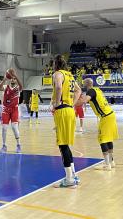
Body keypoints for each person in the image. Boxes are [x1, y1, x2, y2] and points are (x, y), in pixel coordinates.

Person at [51, 55, 81, 188]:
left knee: (62, 145)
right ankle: (73, 175)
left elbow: (58, 87)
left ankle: (69, 179)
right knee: (66, 145)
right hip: (70, 110)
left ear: (55, 64)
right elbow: (78, 90)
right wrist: (72, 104)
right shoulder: (70, 75)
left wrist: (57, 103)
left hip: (62, 111)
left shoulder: (57, 74)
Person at [78, 78, 119, 171]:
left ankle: (107, 164)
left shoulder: (91, 91)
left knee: (102, 140)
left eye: (83, 82)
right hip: (110, 114)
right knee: (108, 139)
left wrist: (72, 103)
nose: (82, 83)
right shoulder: (97, 90)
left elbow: (84, 101)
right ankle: (111, 162)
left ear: (86, 84)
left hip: (105, 117)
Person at [0, 68, 23, 154]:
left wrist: (15, 76)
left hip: (14, 110)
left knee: (14, 127)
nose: (13, 79)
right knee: (4, 128)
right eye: (11, 78)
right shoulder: (6, 87)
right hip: (5, 109)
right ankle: (4, 146)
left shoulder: (18, 88)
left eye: (14, 78)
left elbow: (22, 86)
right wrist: (4, 79)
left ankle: (19, 145)